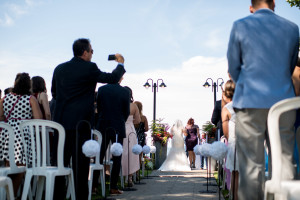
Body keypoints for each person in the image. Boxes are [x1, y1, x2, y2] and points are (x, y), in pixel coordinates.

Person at [227, 0, 299, 199]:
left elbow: (234, 67)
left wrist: (246, 85)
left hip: (249, 101)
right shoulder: (293, 28)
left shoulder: (240, 25)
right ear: (274, 3)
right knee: (284, 161)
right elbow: (290, 66)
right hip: (283, 103)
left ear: (251, 7)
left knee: (251, 166)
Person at [51, 38, 126, 199]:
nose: (92, 53)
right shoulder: (89, 68)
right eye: (91, 51)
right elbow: (112, 78)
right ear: (85, 52)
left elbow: (55, 94)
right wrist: (120, 63)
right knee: (81, 168)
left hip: (61, 124)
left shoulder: (59, 69)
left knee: (60, 166)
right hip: (81, 125)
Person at [0, 73, 42, 196]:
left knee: (9, 167)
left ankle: (8, 194)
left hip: (7, 135)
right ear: (29, 85)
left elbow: (1, 117)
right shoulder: (30, 99)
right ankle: (11, 195)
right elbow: (38, 118)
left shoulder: (4, 98)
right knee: (20, 168)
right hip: (23, 135)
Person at [97, 76, 130, 195]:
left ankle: (94, 186)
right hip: (118, 126)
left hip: (103, 125)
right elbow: (126, 111)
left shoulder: (101, 89)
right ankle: (113, 187)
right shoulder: (125, 92)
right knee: (117, 158)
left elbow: (99, 107)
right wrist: (120, 121)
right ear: (120, 79)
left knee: (99, 156)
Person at [221, 80, 237, 200]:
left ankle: (234, 197)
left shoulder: (226, 109)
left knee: (235, 175)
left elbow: (226, 132)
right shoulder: (244, 105)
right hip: (248, 143)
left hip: (234, 144)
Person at [122, 86, 141, 187]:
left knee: (120, 152)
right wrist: (130, 121)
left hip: (119, 128)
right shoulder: (133, 106)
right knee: (130, 154)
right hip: (130, 130)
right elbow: (138, 121)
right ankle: (129, 178)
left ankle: (117, 176)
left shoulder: (118, 103)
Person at [134, 101, 149, 168]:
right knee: (140, 155)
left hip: (133, 136)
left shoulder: (132, 118)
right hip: (141, 137)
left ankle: (132, 171)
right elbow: (146, 129)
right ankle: (137, 172)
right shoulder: (143, 118)